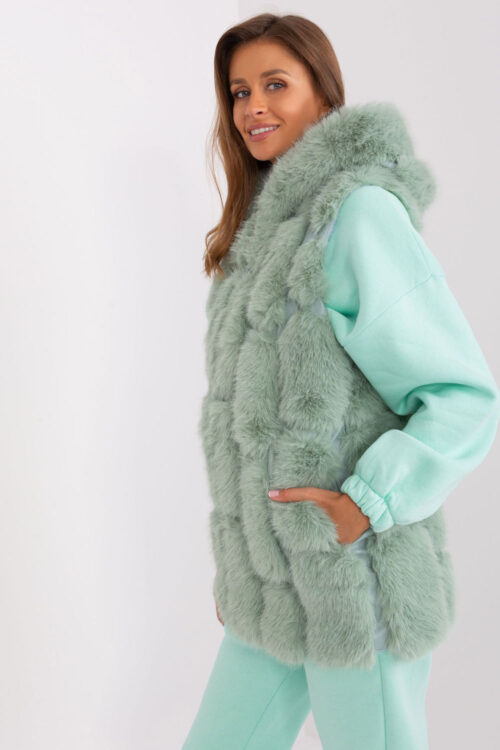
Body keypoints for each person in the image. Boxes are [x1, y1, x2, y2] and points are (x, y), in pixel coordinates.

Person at [183, 13, 500, 750]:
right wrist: (247, 567)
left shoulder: (356, 215)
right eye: (240, 91)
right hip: (273, 594)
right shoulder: (263, 236)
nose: (253, 106)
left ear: (324, 96)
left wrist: (369, 502)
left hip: (355, 586)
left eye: (276, 85)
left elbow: (461, 397)